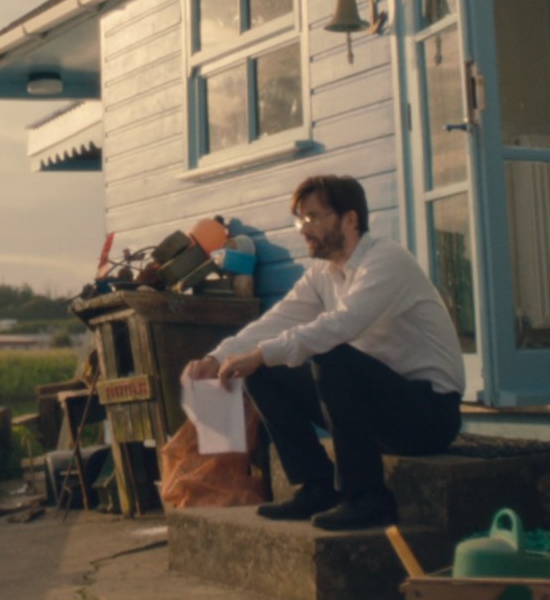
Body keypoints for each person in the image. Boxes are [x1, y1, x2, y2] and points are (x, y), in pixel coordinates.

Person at [182, 174, 465, 531]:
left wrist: (263, 352)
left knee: (332, 355)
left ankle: (367, 497)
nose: (304, 228)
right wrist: (217, 357)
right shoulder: (323, 274)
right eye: (300, 219)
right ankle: (316, 486)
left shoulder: (386, 261)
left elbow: (342, 325)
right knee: (264, 368)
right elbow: (276, 321)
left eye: (314, 217)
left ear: (350, 219)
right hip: (377, 408)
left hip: (429, 414)